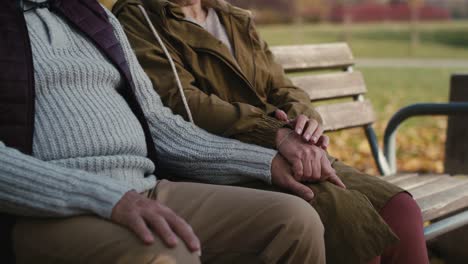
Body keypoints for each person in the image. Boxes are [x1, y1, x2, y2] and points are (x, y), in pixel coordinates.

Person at [0, 0, 328, 263]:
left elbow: (158, 124)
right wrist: (106, 197)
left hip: (144, 190)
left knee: (294, 221)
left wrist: (265, 161)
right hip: (47, 210)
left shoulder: (91, 15)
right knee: (166, 255)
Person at [113, 0, 430, 263]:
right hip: (225, 159)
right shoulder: (140, 17)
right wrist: (274, 133)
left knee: (400, 209)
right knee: (347, 217)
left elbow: (281, 86)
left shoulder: (232, 17)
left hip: (287, 145)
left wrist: (303, 121)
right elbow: (184, 102)